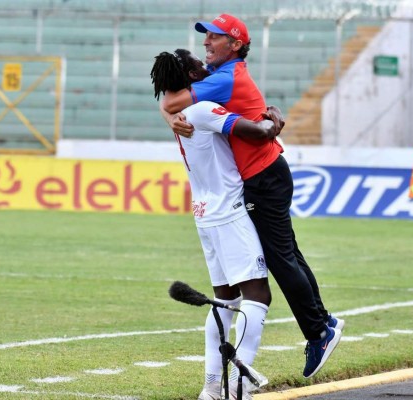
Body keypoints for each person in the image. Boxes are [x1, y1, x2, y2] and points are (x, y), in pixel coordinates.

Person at [160, 13, 343, 379]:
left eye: (214, 37)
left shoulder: (224, 78)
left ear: (236, 45)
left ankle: (320, 331)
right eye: (205, 37)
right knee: (286, 253)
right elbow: (170, 101)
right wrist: (170, 116)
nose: (206, 43)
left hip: (263, 177)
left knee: (279, 259)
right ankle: (323, 324)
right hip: (264, 175)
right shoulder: (219, 76)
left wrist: (272, 126)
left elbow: (172, 101)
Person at [152, 49, 277, 400]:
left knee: (226, 299)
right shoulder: (204, 110)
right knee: (258, 295)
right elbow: (257, 133)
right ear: (191, 77)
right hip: (229, 211)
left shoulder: (180, 112)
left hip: (205, 212)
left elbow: (167, 102)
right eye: (197, 62)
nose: (204, 64)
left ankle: (211, 386)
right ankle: (239, 385)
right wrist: (274, 120)